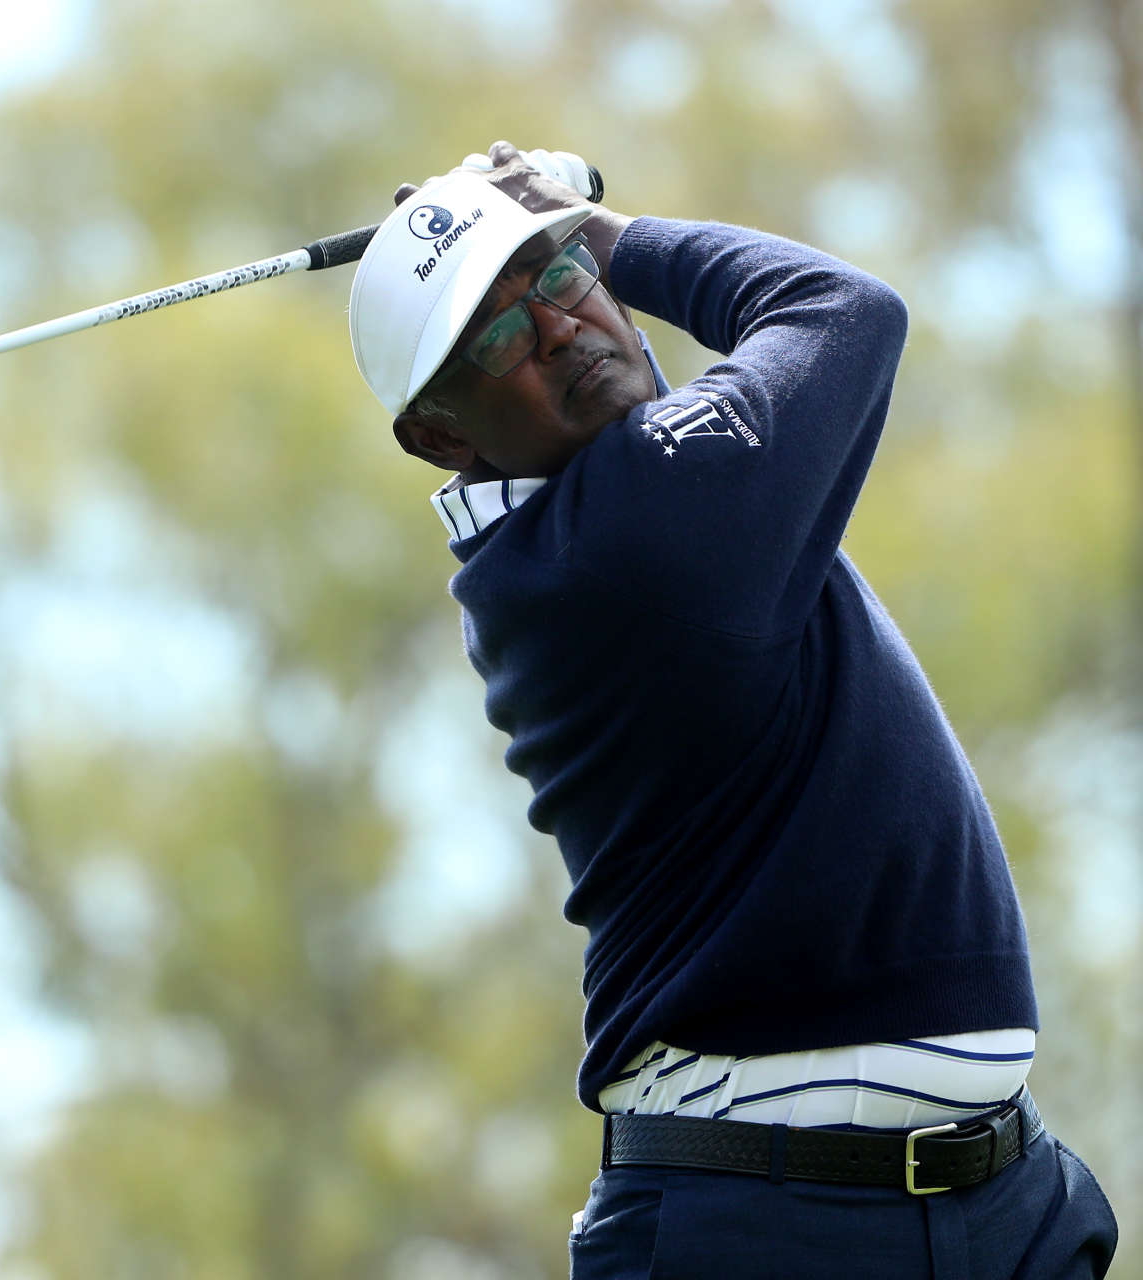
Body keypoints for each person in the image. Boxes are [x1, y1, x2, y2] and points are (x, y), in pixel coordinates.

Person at [345, 142, 1119, 1278]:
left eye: (556, 280)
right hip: (761, 1222)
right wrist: (597, 231)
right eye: (501, 337)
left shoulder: (594, 522)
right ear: (445, 435)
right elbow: (844, 310)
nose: (562, 328)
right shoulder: (629, 527)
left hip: (999, 1197)